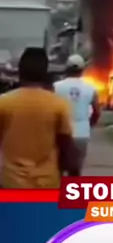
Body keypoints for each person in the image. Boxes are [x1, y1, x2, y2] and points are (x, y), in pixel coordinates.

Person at [0, 47, 77, 189]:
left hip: (11, 182)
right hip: (47, 183)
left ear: (20, 71)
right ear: (45, 72)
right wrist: (74, 176)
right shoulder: (59, 104)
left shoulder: (4, 102)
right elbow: (66, 146)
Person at [54, 55, 101, 173]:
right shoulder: (91, 89)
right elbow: (97, 112)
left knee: (58, 170)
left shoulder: (55, 87)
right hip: (81, 134)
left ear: (66, 69)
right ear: (82, 70)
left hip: (60, 134)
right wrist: (88, 125)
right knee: (75, 171)